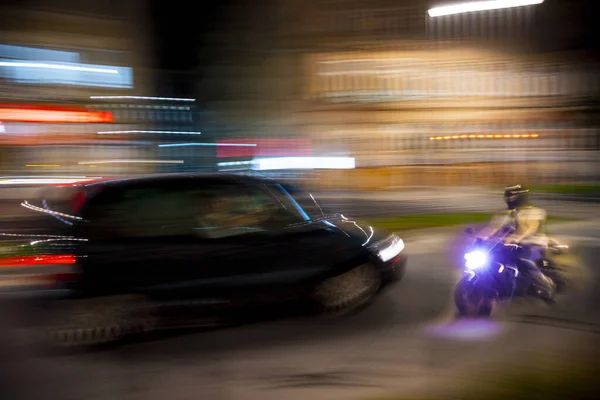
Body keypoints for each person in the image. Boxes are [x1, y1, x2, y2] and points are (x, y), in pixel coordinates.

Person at [477, 184, 556, 302]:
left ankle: (546, 285)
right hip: (511, 244)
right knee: (491, 258)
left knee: (526, 263)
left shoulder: (534, 211)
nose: (509, 199)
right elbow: (493, 228)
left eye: (512, 196)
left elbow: (532, 227)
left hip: (533, 243)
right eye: (507, 196)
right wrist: (481, 236)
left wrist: (518, 237)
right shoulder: (505, 214)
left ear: (521, 196)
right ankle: (498, 284)